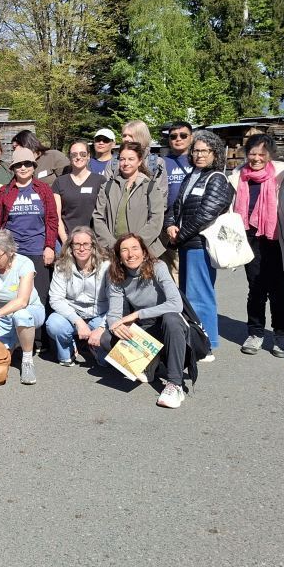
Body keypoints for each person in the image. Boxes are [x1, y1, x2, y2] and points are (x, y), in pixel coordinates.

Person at [91, 233, 188, 409]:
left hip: (168, 326)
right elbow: (114, 314)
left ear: (144, 252)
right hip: (146, 328)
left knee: (171, 319)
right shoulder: (116, 275)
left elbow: (176, 304)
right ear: (119, 257)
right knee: (106, 338)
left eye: (135, 248)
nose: (130, 254)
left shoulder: (158, 267)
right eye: (124, 250)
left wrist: (137, 314)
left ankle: (175, 384)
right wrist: (115, 326)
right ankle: (149, 363)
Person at [164, 128, 233, 360]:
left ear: (215, 153)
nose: (200, 155)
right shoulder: (191, 175)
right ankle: (195, 339)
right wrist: (171, 225)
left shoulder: (217, 179)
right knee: (187, 295)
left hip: (199, 245)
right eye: (196, 151)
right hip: (185, 243)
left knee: (200, 295)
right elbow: (176, 206)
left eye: (205, 151)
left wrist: (179, 235)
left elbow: (206, 214)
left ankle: (208, 344)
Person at [228, 132, 284, 357]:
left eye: (261, 154)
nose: (256, 158)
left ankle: (280, 335)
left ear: (271, 154)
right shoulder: (238, 175)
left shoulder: (283, 173)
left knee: (278, 290)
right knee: (255, 289)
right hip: (249, 238)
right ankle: (256, 333)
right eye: (252, 153)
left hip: (276, 239)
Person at [0, 229, 47, 385]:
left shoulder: (24, 264)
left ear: (9, 252)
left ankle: (27, 360)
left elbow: (22, 301)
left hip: (29, 311)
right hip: (1, 318)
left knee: (20, 315)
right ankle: (14, 342)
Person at [0, 146, 58, 303]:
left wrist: (50, 247)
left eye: (27, 164)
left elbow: (52, 219)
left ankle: (38, 328)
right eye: (19, 164)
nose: (23, 168)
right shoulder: (4, 191)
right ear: (13, 168)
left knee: (39, 298)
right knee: (13, 297)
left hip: (37, 250)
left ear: (33, 166)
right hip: (12, 253)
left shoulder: (44, 190)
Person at [46, 227, 110, 367]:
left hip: (99, 314)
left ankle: (94, 347)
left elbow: (116, 303)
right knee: (54, 324)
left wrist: (100, 328)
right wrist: (78, 322)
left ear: (93, 246)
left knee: (106, 363)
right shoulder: (61, 266)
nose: (81, 249)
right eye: (77, 244)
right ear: (71, 246)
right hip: (72, 316)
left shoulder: (107, 267)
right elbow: (56, 299)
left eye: (86, 244)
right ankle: (69, 347)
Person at [93, 141, 166, 257]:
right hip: (112, 251)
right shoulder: (108, 186)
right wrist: (113, 244)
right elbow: (98, 217)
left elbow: (156, 220)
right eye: (122, 159)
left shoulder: (150, 186)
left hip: (143, 251)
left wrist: (135, 245)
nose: (125, 163)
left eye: (131, 159)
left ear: (139, 161)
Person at [52, 139, 106, 245]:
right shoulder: (59, 182)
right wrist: (66, 241)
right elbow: (56, 215)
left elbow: (105, 213)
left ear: (89, 156)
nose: (78, 157)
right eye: (74, 154)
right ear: (69, 157)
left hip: (94, 240)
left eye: (83, 154)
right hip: (68, 238)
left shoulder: (100, 180)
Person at [160, 120, 194, 283]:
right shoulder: (162, 163)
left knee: (192, 270)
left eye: (183, 135)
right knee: (173, 270)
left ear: (191, 137)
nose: (178, 139)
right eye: (173, 136)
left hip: (193, 222)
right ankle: (179, 306)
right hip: (169, 223)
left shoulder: (197, 160)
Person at [103, 120, 168, 186]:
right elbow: (106, 189)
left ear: (142, 137)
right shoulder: (114, 162)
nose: (126, 139)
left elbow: (160, 192)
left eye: (131, 136)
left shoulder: (156, 163)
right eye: (124, 136)